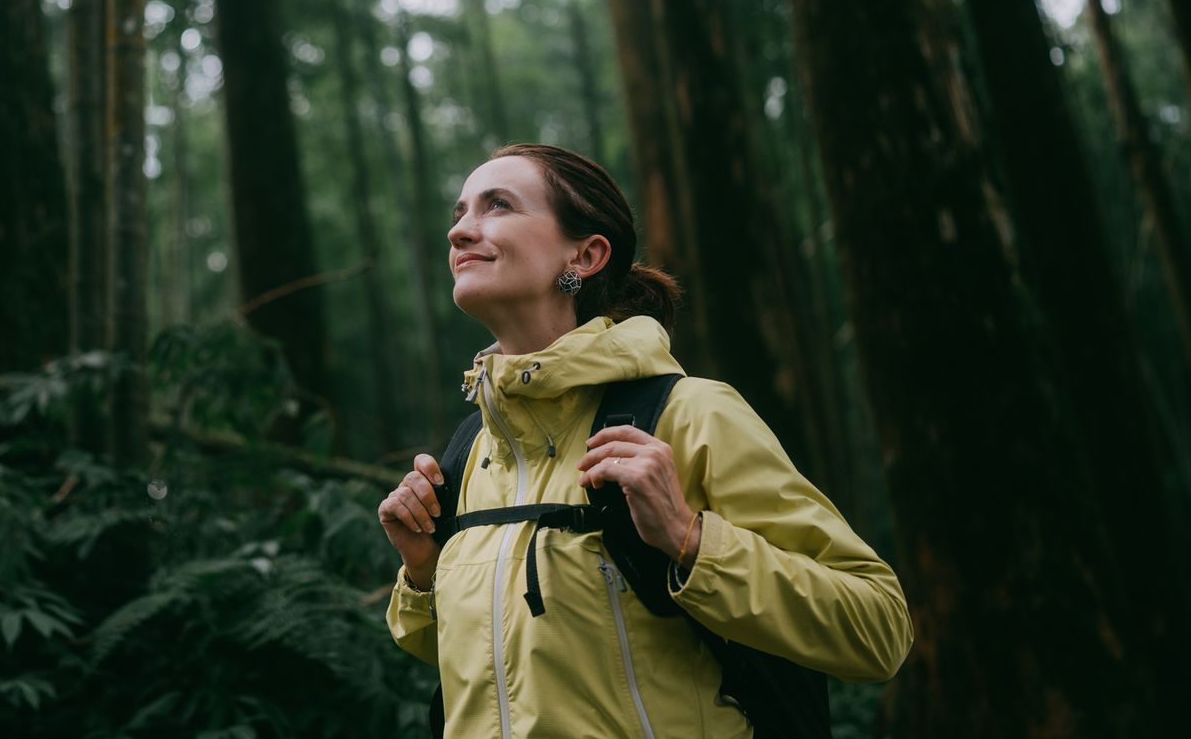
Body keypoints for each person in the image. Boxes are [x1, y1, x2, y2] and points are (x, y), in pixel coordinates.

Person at [378, 143, 911, 737]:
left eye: (496, 205)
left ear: (586, 253)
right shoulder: (471, 452)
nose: (460, 232)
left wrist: (690, 541)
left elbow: (878, 629)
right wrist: (425, 573)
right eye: (458, 213)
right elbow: (501, 667)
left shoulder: (691, 415)